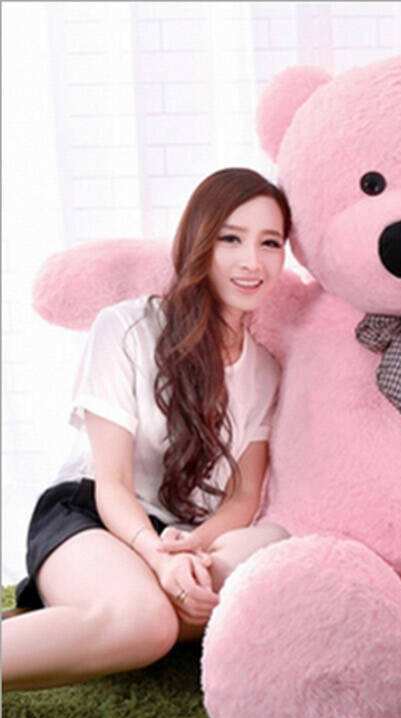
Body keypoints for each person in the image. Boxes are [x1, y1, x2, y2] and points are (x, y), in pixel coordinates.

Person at [2, 168, 291, 691]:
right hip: (94, 516)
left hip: (181, 532)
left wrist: (190, 549)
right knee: (149, 624)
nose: (252, 261)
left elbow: (243, 495)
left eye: (269, 242)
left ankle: (94, 612)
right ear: (198, 242)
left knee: (275, 550)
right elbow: (112, 482)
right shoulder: (127, 327)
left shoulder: (265, 370)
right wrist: (157, 558)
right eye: (231, 239)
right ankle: (117, 606)